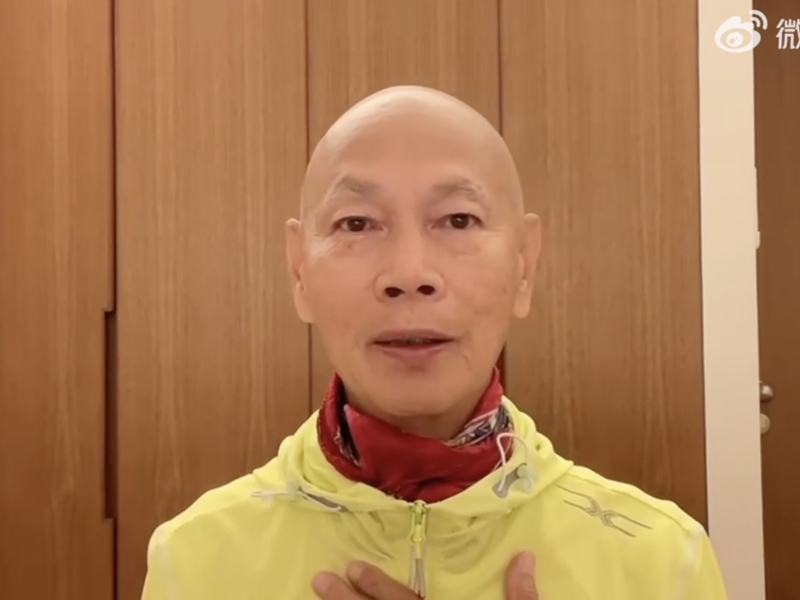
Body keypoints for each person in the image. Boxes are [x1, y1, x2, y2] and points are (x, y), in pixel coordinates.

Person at [140, 86, 728, 600]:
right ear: (299, 272)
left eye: (458, 220)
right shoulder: (195, 560)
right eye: (356, 223)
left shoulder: (660, 560)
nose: (409, 272)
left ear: (525, 265)